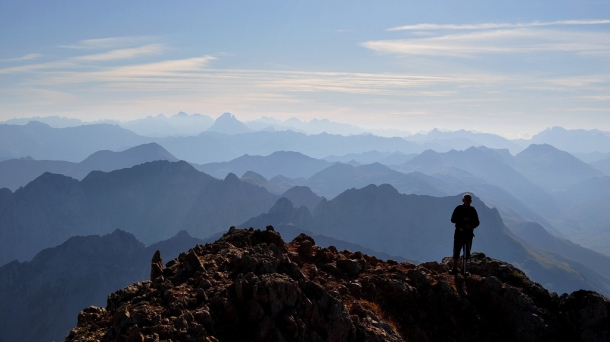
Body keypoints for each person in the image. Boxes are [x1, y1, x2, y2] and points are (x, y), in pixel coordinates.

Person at [450, 193, 480, 275]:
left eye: (468, 200)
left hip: (468, 233)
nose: (467, 201)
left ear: (471, 201)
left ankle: (464, 269)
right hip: (459, 232)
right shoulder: (458, 208)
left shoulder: (473, 210)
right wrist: (462, 219)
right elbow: (453, 219)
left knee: (466, 251)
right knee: (456, 250)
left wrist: (470, 225)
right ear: (463, 200)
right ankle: (455, 268)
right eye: (466, 199)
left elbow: (477, 222)